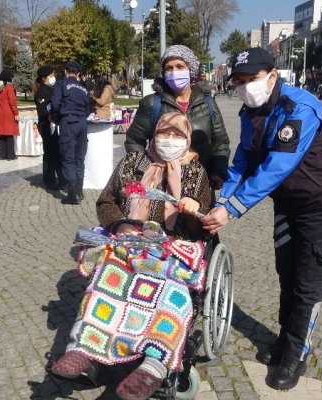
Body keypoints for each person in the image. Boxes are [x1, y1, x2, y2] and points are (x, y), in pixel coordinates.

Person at [200, 47, 322, 391]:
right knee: (286, 274)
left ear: (272, 75)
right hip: (287, 206)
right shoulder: (249, 111)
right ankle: (285, 339)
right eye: (238, 81)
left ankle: (297, 352)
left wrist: (232, 209)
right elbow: (243, 159)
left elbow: (276, 168)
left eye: (251, 79)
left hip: (321, 205)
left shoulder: (300, 107)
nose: (244, 87)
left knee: (307, 283)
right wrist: (221, 200)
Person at [50, 113, 211, 400]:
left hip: (174, 244)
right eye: (164, 133)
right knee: (107, 279)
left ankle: (154, 363)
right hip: (131, 241)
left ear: (187, 140)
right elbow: (107, 201)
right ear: (153, 135)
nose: (169, 141)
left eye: (177, 136)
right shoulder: (131, 164)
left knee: (169, 287)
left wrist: (192, 207)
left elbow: (202, 226)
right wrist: (121, 224)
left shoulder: (195, 172)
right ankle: (84, 347)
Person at [125, 45, 230, 190]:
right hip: (160, 185)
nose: (174, 72)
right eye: (169, 68)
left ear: (191, 70)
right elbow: (134, 141)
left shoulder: (208, 104)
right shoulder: (152, 103)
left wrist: (218, 172)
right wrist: (144, 169)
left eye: (180, 66)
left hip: (198, 185)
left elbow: (221, 144)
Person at [51, 60, 91, 204]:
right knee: (79, 158)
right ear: (78, 73)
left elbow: (55, 105)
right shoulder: (84, 89)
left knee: (67, 157)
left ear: (65, 71)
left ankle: (72, 194)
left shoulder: (61, 85)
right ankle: (79, 191)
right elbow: (88, 110)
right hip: (82, 124)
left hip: (68, 122)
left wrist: (56, 118)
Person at [34, 65, 64, 190]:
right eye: (51, 76)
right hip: (46, 125)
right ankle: (49, 180)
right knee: (50, 154)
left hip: (53, 125)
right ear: (44, 78)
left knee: (55, 153)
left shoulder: (51, 89)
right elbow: (42, 111)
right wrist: (53, 110)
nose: (53, 77)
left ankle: (60, 179)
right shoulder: (42, 91)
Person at [0, 69, 20, 160]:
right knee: (9, 134)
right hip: (8, 114)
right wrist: (16, 113)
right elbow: (12, 102)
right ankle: (10, 155)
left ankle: (2, 155)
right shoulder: (9, 88)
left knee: (2, 134)